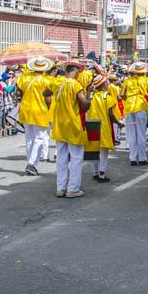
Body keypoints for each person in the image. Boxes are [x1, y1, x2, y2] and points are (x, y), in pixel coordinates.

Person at [44, 62, 91, 198]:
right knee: (76, 158)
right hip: (73, 124)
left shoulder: (57, 82)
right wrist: (90, 93)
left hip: (60, 125)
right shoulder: (75, 84)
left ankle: (61, 188)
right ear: (76, 72)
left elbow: (45, 92)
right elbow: (84, 104)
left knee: (62, 158)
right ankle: (73, 189)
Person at [16, 57, 54, 176]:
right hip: (40, 111)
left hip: (26, 110)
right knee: (40, 137)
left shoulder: (25, 78)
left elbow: (18, 92)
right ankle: (32, 164)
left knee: (29, 138)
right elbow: (48, 99)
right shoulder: (47, 81)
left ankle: (30, 162)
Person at [120, 62, 148, 166]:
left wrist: (128, 98)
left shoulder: (127, 81)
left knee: (131, 133)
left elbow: (121, 95)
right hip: (141, 106)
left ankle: (133, 158)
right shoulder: (147, 81)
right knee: (141, 133)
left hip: (129, 107)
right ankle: (142, 158)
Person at [89, 74, 120, 182]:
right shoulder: (107, 97)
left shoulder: (91, 96)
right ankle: (102, 174)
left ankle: (95, 173)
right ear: (102, 85)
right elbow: (111, 115)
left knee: (94, 150)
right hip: (104, 125)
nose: (108, 84)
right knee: (104, 151)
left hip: (92, 125)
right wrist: (118, 123)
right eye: (107, 83)